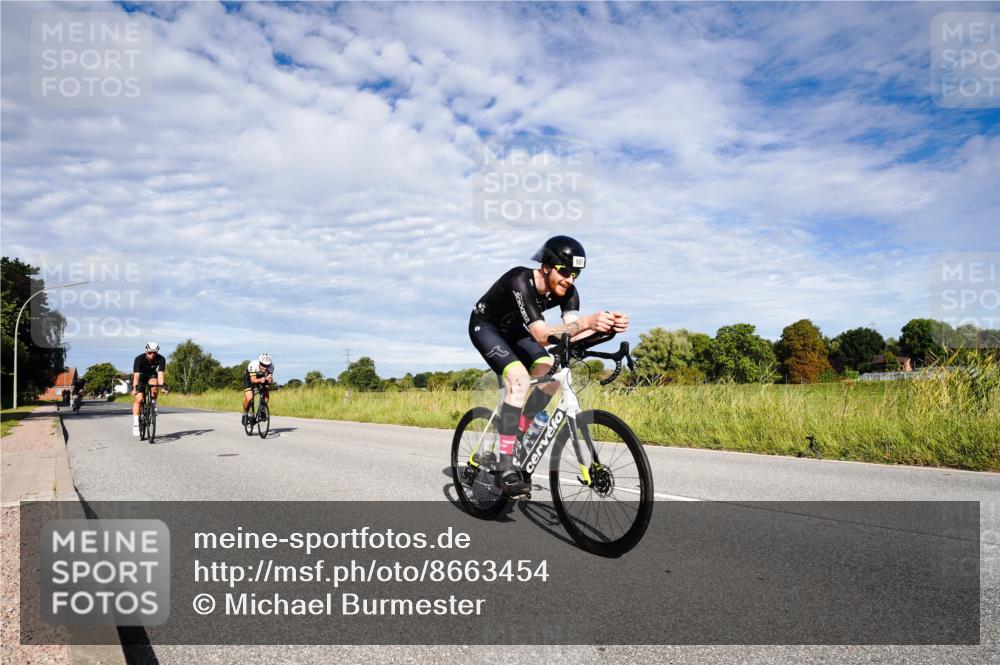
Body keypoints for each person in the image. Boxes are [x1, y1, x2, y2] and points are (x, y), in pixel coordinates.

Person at [469, 236, 629, 496]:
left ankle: (518, 427)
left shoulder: (569, 292)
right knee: (519, 380)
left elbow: (570, 335)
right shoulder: (520, 281)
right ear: (546, 266)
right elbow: (542, 335)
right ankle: (506, 465)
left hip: (516, 331)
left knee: (551, 371)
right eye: (564, 271)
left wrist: (606, 329)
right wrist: (589, 321)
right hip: (485, 326)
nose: (570, 279)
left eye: (576, 274)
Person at [132, 342, 167, 436]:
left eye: (154, 353)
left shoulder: (161, 359)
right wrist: (134, 388)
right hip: (141, 378)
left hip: (151, 376)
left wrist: (163, 387)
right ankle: (135, 425)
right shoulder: (139, 359)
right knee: (139, 399)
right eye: (150, 353)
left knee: (155, 385)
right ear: (146, 352)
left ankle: (153, 405)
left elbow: (160, 375)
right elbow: (136, 376)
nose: (152, 355)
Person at [243, 354, 274, 424]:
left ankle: (262, 410)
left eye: (267, 365)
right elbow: (253, 379)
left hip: (262, 377)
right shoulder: (253, 365)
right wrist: (260, 380)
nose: (265, 367)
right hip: (250, 377)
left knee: (266, 393)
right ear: (260, 363)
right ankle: (245, 414)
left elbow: (270, 378)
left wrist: (270, 380)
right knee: (249, 397)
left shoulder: (271, 366)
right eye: (263, 365)